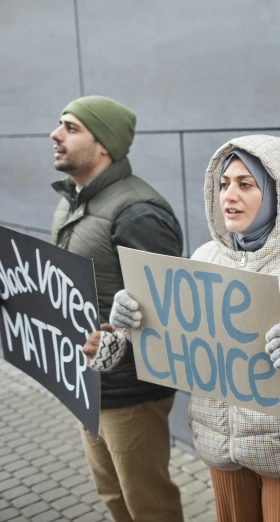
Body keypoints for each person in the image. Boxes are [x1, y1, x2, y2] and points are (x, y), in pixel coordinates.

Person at [91, 135, 280, 522]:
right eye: (223, 183)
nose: (228, 195)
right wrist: (129, 326)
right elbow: (180, 344)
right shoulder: (203, 258)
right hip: (222, 450)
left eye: (246, 184)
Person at [50, 95, 184, 522]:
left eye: (71, 128)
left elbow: (166, 309)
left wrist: (112, 343)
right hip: (89, 387)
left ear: (103, 143)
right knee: (114, 499)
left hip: (131, 396)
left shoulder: (137, 212)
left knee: (150, 508)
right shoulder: (73, 199)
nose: (56, 135)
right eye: (60, 125)